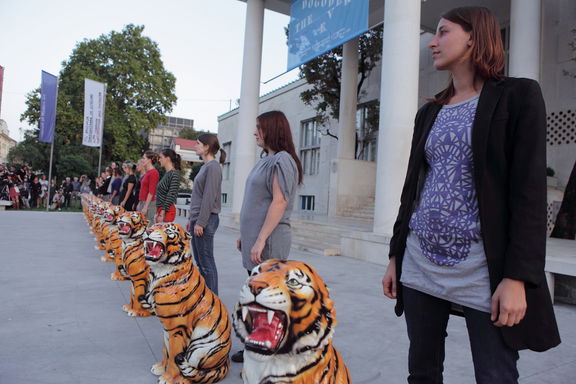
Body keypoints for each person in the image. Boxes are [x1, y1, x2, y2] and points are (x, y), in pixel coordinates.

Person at [381, 7, 561, 384]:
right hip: (420, 263)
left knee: (496, 374)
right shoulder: (429, 112)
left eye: (443, 32)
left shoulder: (518, 97)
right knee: (422, 372)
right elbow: (412, 189)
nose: (433, 41)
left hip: (483, 269)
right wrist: (396, 254)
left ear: (474, 37)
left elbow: (529, 193)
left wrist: (517, 277)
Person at [232, 110, 302, 363]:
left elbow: (279, 202)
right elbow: (256, 201)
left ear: (272, 129)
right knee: (257, 298)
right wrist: (246, 235)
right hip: (257, 239)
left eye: (259, 128)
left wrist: (260, 239)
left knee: (269, 297)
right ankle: (259, 344)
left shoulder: (282, 160)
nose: (254, 133)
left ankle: (271, 349)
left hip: (270, 241)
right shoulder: (266, 159)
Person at [186, 133, 226, 294]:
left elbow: (209, 197)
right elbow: (199, 196)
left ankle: (212, 301)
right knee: (201, 262)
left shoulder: (213, 167)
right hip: (198, 219)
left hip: (206, 220)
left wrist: (201, 222)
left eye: (197, 143)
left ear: (206, 147)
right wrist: (192, 219)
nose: (194, 146)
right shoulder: (205, 167)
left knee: (206, 262)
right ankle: (206, 298)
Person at [155, 148, 181, 223]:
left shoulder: (174, 174)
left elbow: (171, 194)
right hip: (161, 210)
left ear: (168, 159)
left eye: (161, 157)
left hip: (167, 211)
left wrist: (162, 213)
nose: (159, 160)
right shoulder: (167, 174)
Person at [138, 151, 160, 222]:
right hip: (143, 201)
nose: (143, 160)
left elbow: (151, 191)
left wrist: (145, 206)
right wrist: (140, 203)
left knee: (147, 226)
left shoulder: (154, 173)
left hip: (149, 204)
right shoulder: (148, 172)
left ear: (149, 160)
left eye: (144, 158)